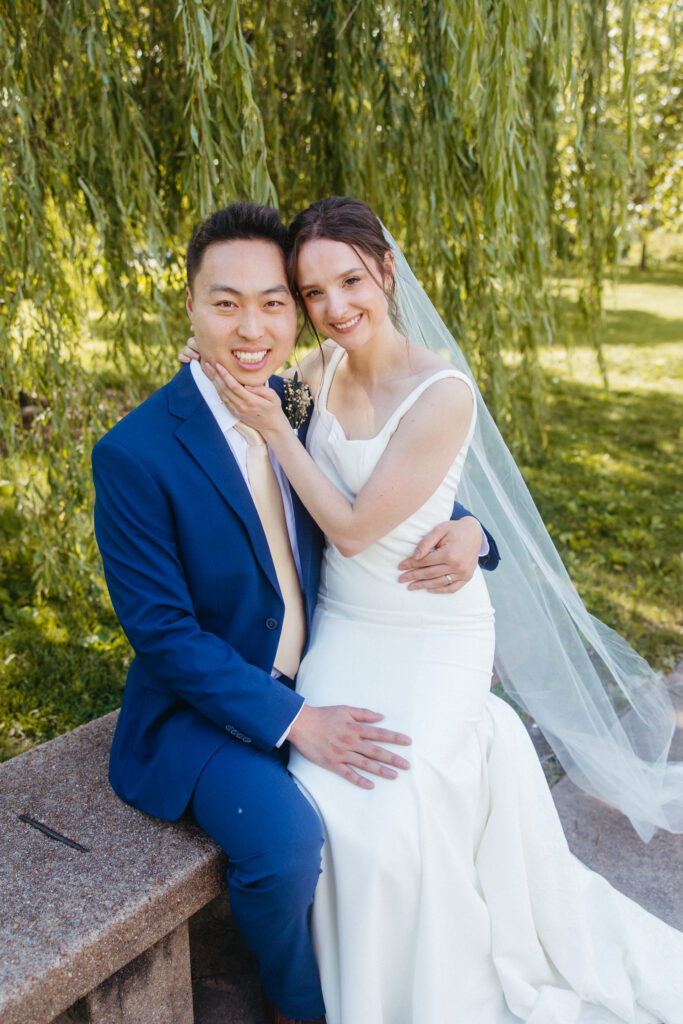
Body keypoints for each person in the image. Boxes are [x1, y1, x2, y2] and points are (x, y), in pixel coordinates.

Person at [203, 196, 683, 1024]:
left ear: (386, 272)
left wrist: (469, 533)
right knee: (328, 790)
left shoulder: (441, 392)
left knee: (399, 798)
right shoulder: (315, 373)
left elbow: (352, 528)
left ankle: (426, 992)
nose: (334, 308)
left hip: (430, 631)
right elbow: (241, 417)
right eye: (313, 294)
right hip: (345, 627)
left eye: (350, 281)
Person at [91, 201, 500, 1024]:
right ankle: (303, 1006)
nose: (253, 325)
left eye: (275, 301)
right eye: (226, 302)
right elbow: (164, 637)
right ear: (190, 307)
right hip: (204, 709)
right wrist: (295, 721)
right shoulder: (134, 453)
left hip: (339, 657)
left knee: (394, 811)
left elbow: (383, 493)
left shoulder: (296, 397)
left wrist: (474, 533)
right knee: (286, 845)